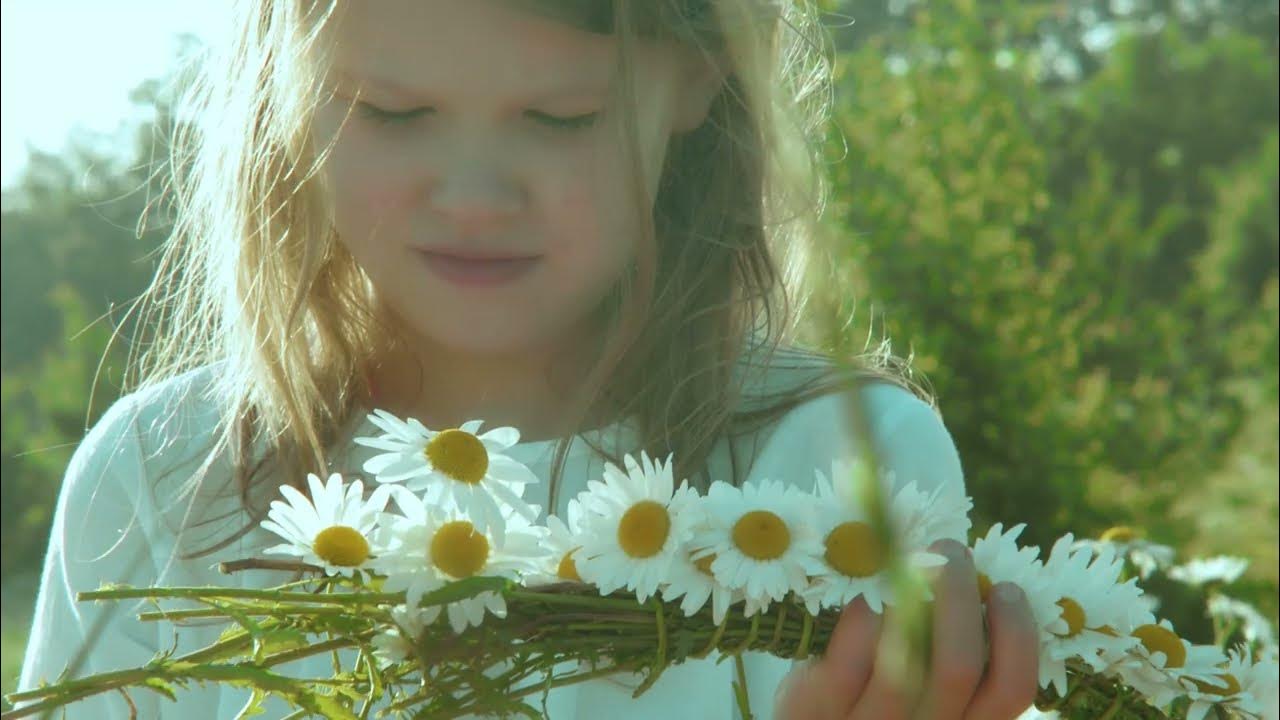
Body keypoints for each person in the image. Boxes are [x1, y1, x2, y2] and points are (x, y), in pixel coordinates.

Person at [18, 1, 1039, 718]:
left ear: (699, 84)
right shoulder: (165, 473)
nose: (472, 195)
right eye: (392, 111)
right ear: (288, 95)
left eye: (559, 120)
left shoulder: (835, 467)